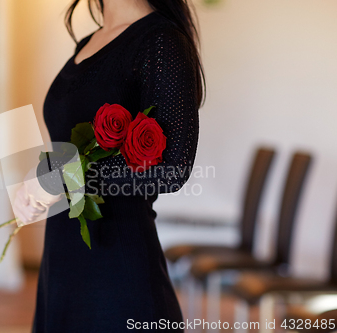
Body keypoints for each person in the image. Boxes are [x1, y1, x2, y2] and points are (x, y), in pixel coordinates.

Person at [13, 0, 204, 331]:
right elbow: (69, 150)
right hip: (61, 265)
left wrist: (60, 177)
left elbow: (173, 167)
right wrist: (43, 177)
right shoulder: (88, 42)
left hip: (116, 271)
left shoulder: (161, 41)